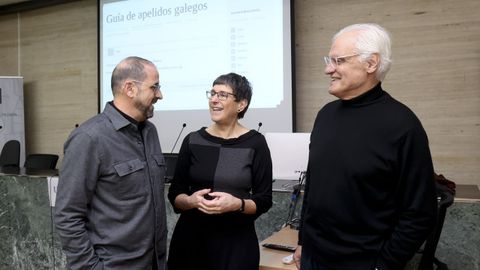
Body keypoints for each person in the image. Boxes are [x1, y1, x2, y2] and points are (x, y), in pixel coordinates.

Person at [293, 23, 438, 270]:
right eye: (329, 60)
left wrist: (383, 265)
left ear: (371, 64)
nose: (328, 69)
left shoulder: (403, 126)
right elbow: (314, 186)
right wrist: (303, 240)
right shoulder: (325, 115)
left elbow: (420, 212)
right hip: (311, 258)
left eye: (338, 61)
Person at [54, 56, 168, 270]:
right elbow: (67, 215)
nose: (160, 95)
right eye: (155, 87)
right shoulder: (89, 138)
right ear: (130, 88)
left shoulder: (150, 132)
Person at [167, 73, 273, 270]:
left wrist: (237, 204)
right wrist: (189, 201)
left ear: (241, 104)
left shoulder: (256, 143)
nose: (214, 99)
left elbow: (264, 200)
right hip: (190, 242)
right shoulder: (192, 140)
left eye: (223, 95)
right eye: (212, 93)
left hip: (235, 245)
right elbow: (175, 194)